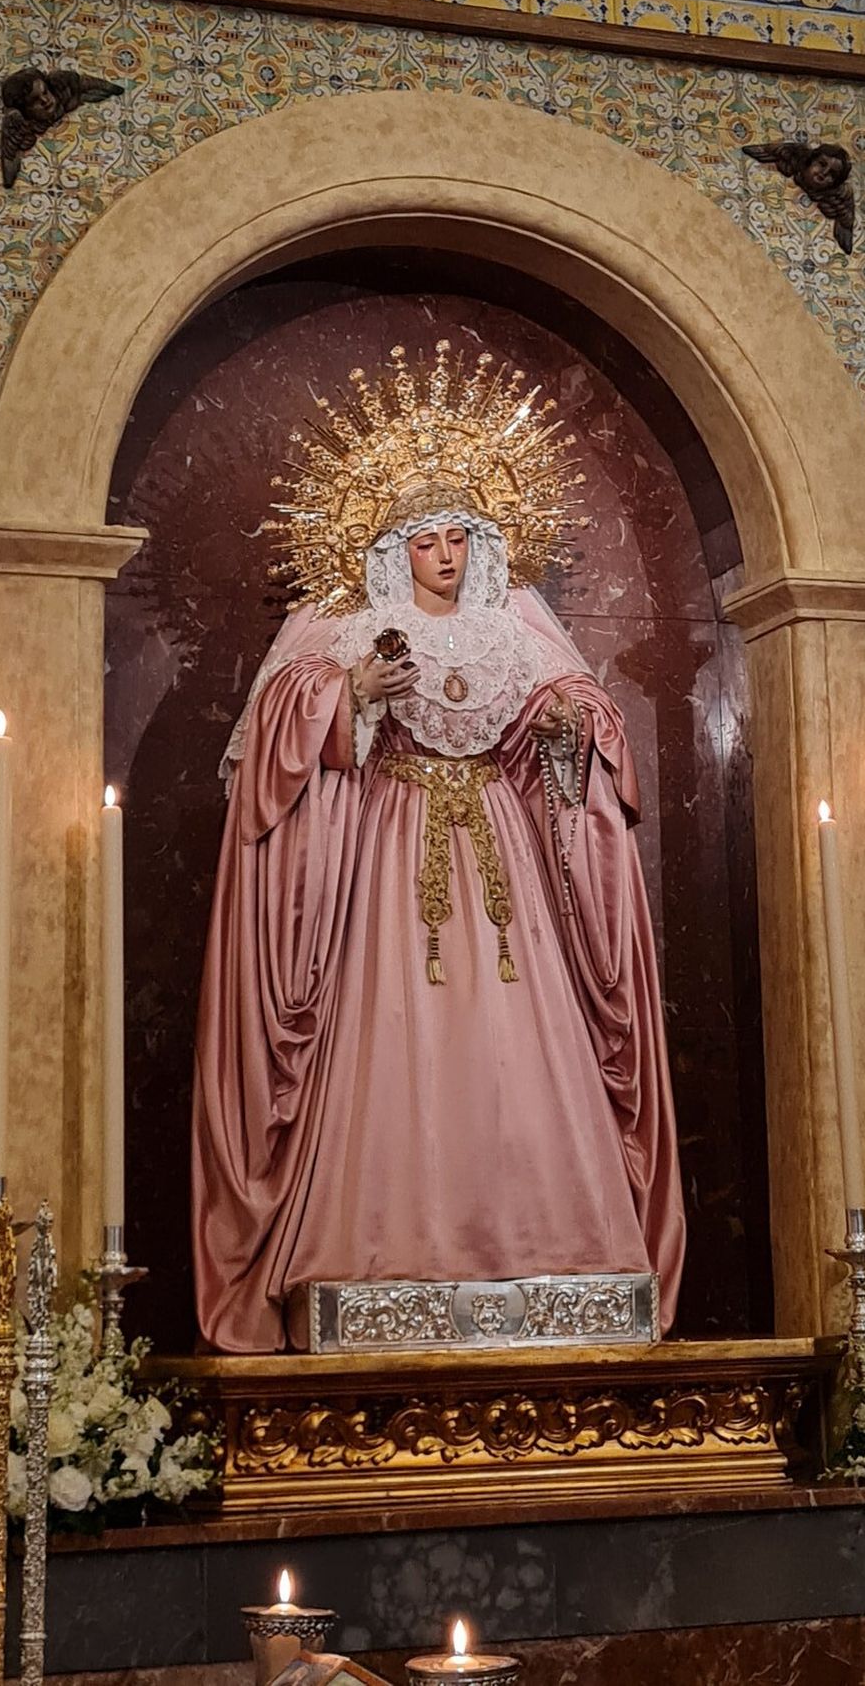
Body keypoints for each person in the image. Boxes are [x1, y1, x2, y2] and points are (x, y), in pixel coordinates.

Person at [190, 342, 685, 1352]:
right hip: (388, 842)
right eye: (427, 541)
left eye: (461, 538)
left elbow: (577, 710)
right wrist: (348, 701)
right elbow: (282, 731)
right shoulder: (337, 624)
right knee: (391, 1038)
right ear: (392, 551)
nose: (448, 556)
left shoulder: (518, 626)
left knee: (522, 1052)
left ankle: (553, 1254)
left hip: (502, 848)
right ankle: (383, 1256)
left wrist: (565, 725)